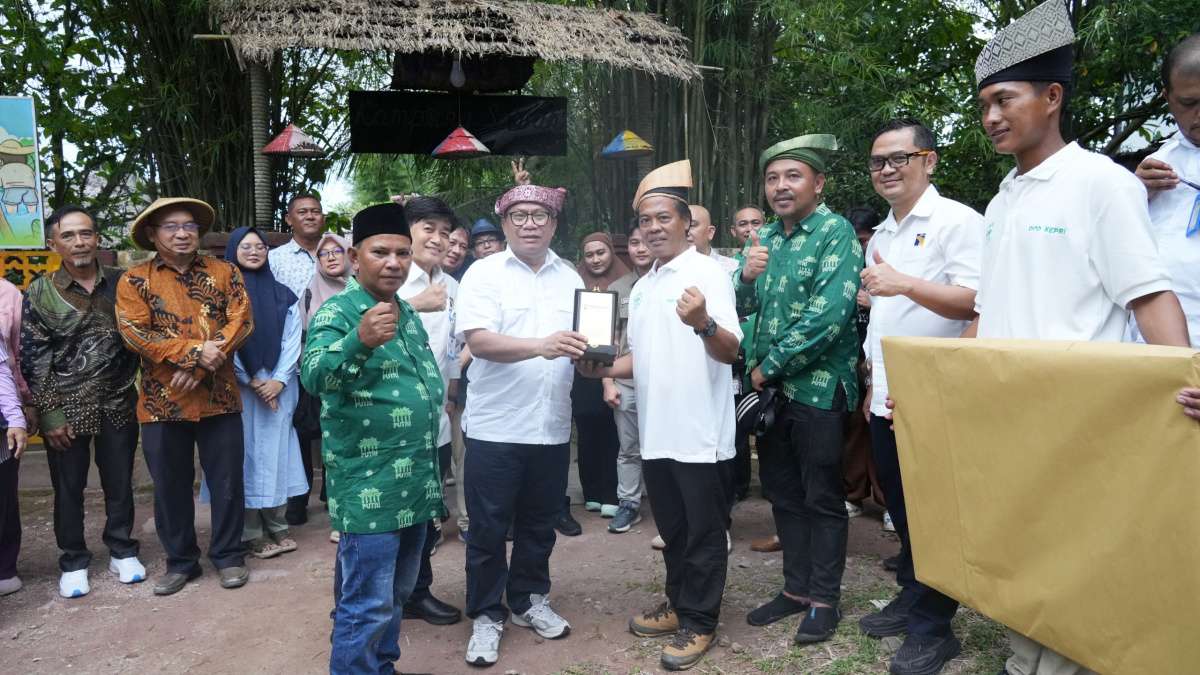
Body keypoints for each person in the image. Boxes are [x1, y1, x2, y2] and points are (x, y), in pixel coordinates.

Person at [967, 4, 1192, 673]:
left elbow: (1148, 295)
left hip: (1079, 424)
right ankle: (1022, 662)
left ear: (1052, 97)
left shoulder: (1102, 184)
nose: (991, 117)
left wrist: (1187, 378)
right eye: (984, 105)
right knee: (1021, 558)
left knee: (1077, 569)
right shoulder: (1002, 200)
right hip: (1007, 418)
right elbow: (987, 309)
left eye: (1005, 99)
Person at [580, 159, 742, 671]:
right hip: (656, 431)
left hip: (699, 432)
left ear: (686, 224)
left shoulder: (707, 273)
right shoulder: (645, 284)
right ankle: (679, 603)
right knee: (673, 530)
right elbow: (641, 359)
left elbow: (730, 350)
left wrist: (704, 322)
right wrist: (599, 367)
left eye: (663, 218)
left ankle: (701, 621)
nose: (653, 228)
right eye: (645, 220)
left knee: (704, 532)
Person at [856, 119, 984, 675]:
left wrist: (904, 283)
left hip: (938, 394)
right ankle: (914, 592)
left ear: (929, 161)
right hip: (889, 393)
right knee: (903, 507)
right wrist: (873, 381)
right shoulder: (883, 235)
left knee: (936, 514)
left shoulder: (958, 222)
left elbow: (980, 301)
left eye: (899, 158)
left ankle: (935, 627)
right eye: (878, 161)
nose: (887, 169)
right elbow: (886, 316)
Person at [301, 202, 445, 675]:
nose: (393, 263)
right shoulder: (338, 312)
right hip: (369, 486)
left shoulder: (406, 312)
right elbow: (313, 377)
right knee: (366, 603)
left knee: (397, 595)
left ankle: (381, 667)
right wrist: (357, 340)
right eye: (380, 252)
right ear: (355, 257)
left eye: (403, 253)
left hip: (415, 483)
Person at [737, 134, 863, 644]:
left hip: (818, 388)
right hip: (773, 395)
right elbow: (741, 308)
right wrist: (745, 279)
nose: (781, 186)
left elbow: (828, 318)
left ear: (818, 183)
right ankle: (795, 590)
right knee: (783, 494)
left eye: (793, 176)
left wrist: (767, 367)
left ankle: (825, 600)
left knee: (822, 497)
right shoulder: (762, 237)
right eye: (772, 178)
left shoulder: (837, 233)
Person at [456, 183, 584, 667]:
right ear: (505, 223)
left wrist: (592, 356)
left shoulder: (569, 276)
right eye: (520, 216)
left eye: (539, 215)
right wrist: (541, 346)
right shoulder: (483, 273)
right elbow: (480, 342)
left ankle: (529, 599)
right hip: (496, 427)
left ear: (554, 223)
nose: (530, 224)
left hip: (550, 425)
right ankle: (487, 613)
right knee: (488, 528)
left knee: (540, 523)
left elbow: (581, 340)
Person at [115, 197, 254, 596]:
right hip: (163, 401)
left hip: (219, 397)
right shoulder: (134, 280)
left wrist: (200, 367)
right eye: (172, 227)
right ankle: (181, 562)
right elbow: (134, 334)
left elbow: (242, 322)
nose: (182, 234)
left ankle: (229, 555)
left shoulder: (224, 271)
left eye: (189, 226)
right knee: (170, 486)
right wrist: (194, 353)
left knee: (227, 481)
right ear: (152, 234)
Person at [21, 205, 143, 598]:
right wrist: (50, 414)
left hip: (118, 402)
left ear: (98, 238)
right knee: (68, 488)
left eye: (86, 233)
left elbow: (143, 335)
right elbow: (35, 358)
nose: (79, 242)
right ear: (53, 243)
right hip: (66, 409)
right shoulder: (41, 292)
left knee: (120, 481)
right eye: (69, 235)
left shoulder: (123, 283)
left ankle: (122, 549)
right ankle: (73, 560)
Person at [397, 195, 463, 627]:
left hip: (434, 421)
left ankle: (416, 593)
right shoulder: (390, 277)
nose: (438, 239)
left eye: (445, 232)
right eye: (428, 229)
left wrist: (452, 392)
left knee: (425, 515)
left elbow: (452, 349)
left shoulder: (453, 285)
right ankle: (369, 600)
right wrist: (414, 305)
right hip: (390, 423)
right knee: (384, 516)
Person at [222, 227, 306, 559]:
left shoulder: (283, 294)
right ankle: (251, 530)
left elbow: (292, 339)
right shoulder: (223, 294)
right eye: (246, 246)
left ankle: (277, 522)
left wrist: (279, 380)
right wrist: (252, 379)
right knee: (247, 454)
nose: (254, 252)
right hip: (241, 388)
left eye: (260, 247)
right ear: (233, 250)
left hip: (279, 388)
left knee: (277, 452)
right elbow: (225, 340)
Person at [1133, 33, 1200, 346]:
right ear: (1167, 97)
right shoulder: (1151, 168)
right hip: (1155, 350)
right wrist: (1132, 195)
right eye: (1189, 103)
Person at [269, 193, 326, 526]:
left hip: (334, 352)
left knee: (336, 421)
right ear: (289, 219)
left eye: (315, 211)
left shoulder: (336, 251)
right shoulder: (275, 259)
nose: (310, 216)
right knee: (299, 427)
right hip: (293, 356)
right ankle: (298, 499)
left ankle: (333, 492)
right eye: (302, 212)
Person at [573, 232, 629, 518]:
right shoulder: (573, 283)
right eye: (589, 254)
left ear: (611, 253)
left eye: (601, 253)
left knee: (612, 430)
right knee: (586, 427)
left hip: (617, 368)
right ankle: (591, 491)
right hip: (581, 367)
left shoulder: (627, 282)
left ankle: (611, 492)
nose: (595, 259)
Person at [301, 232, 351, 544]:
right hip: (326, 382)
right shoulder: (310, 290)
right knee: (335, 451)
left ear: (349, 255)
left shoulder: (363, 288)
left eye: (337, 251)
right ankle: (340, 516)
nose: (331, 257)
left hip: (361, 378)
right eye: (324, 253)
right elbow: (304, 336)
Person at [604, 223, 655, 534]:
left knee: (666, 447)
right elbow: (608, 340)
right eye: (635, 242)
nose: (641, 248)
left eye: (647, 241)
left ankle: (670, 505)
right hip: (627, 382)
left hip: (665, 383)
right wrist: (607, 382)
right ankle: (629, 504)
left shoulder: (675, 283)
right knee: (629, 447)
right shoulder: (618, 288)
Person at [841, 206, 887, 526]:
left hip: (884, 359)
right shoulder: (840, 264)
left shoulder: (887, 263)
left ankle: (888, 502)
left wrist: (874, 303)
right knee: (855, 426)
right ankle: (852, 494)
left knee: (882, 428)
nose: (859, 248)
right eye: (853, 241)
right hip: (851, 359)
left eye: (863, 240)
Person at [0, 280, 29, 597]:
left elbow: (4, 368)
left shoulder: (8, 294)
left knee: (4, 495)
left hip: (1, 416)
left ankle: (4, 567)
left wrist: (16, 417)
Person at [687, 205, 739, 274]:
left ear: (710, 232)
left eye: (691, 225)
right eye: (679, 226)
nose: (685, 231)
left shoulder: (733, 269)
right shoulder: (672, 268)